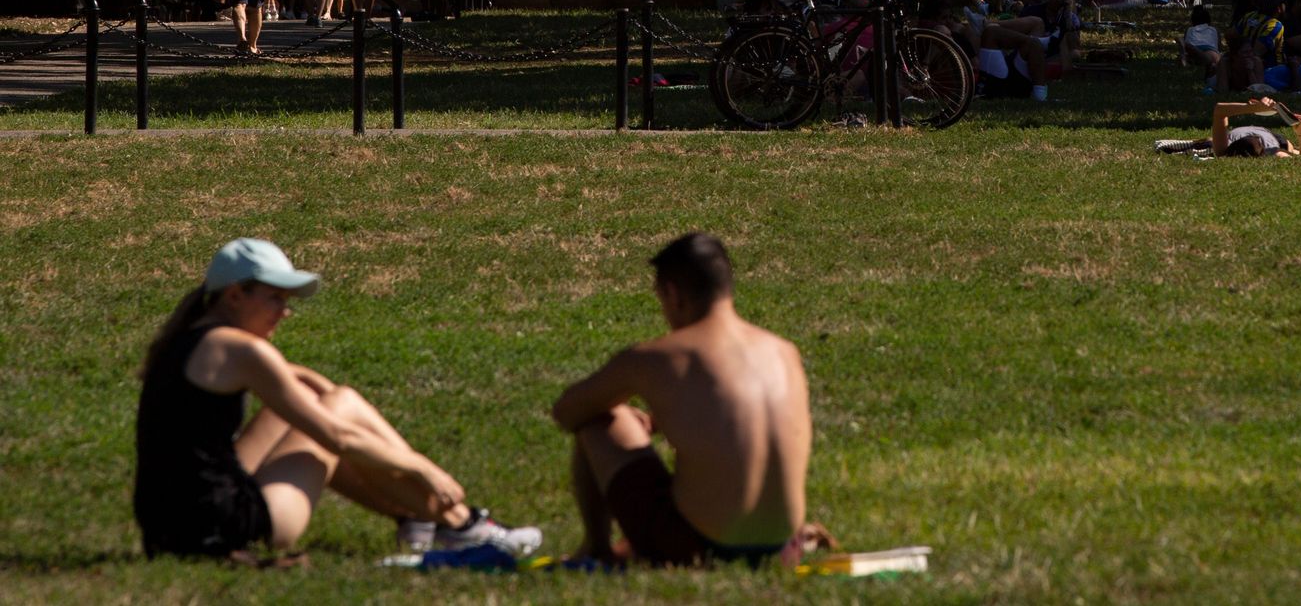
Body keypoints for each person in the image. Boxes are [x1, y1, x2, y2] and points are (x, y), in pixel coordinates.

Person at [136, 237, 540, 561]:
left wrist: (321, 388)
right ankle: (464, 524)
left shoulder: (187, 339)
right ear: (236, 296)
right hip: (226, 525)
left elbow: (294, 379)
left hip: (167, 528)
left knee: (323, 398)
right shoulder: (245, 351)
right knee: (340, 407)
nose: (285, 311)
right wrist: (422, 468)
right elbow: (337, 438)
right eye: (275, 298)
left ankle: (418, 518)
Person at [552, 233, 812, 568]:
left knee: (599, 419)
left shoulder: (660, 357)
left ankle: (595, 549)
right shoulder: (783, 351)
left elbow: (568, 412)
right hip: (783, 550)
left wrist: (626, 413)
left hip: (697, 550)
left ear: (672, 295)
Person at [1154, 97, 1301, 158]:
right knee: (1293, 150)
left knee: (1208, 142)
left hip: (1271, 140)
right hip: (1276, 141)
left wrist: (1253, 108)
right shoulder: (1274, 152)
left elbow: (1220, 110)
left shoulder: (1222, 149)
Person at [1181, 5, 1221, 77]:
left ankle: (1186, 56)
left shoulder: (1189, 30)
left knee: (1189, 55)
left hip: (1193, 52)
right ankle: (1210, 64)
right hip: (1210, 52)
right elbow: (1218, 47)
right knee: (1214, 57)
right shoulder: (1214, 30)